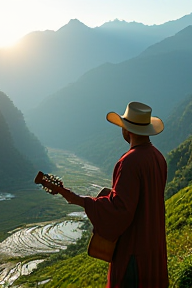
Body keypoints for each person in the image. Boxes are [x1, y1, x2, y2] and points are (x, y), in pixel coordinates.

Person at [42, 102, 169, 288]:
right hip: (154, 248)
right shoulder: (158, 157)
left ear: (127, 130)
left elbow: (119, 211)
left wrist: (82, 201)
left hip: (134, 254)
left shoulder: (129, 162)